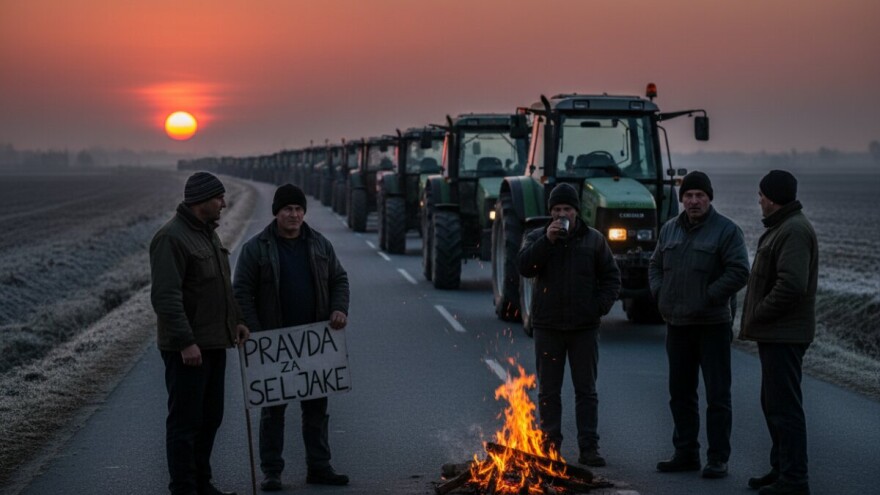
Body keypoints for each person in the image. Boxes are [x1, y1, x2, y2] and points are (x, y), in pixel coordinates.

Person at [233, 184, 350, 491]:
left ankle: (320, 467)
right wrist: (256, 333)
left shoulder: (320, 244)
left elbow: (339, 279)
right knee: (273, 412)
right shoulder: (256, 248)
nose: (294, 215)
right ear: (277, 213)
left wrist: (339, 309)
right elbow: (242, 292)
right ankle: (271, 472)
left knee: (316, 410)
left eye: (298, 209)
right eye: (288, 209)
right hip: (274, 345)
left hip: (314, 344)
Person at [150, 171, 250, 495]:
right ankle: (183, 488)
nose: (224, 203)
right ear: (201, 202)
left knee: (210, 418)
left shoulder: (207, 234)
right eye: (219, 198)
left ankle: (202, 484)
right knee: (185, 424)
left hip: (213, 343)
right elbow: (166, 297)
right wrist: (185, 342)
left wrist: (235, 319)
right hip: (188, 350)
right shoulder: (171, 238)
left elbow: (220, 285)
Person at [648, 170, 750, 479]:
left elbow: (739, 271)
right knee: (680, 393)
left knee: (717, 395)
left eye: (699, 196)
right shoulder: (669, 230)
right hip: (677, 325)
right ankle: (686, 452)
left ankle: (718, 458)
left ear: (709, 199)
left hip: (712, 325)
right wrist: (660, 294)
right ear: (682, 199)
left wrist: (709, 297)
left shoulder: (727, 231)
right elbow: (655, 265)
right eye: (689, 196)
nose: (694, 201)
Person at [517, 182, 621, 467]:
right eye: (557, 209)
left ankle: (589, 448)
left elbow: (612, 278)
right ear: (550, 212)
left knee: (586, 391)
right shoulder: (537, 236)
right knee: (549, 392)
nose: (562, 214)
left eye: (567, 209)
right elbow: (524, 267)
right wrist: (546, 242)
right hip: (547, 327)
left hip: (583, 329)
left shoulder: (594, 240)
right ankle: (550, 448)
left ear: (577, 211)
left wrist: (597, 308)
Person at [740, 170, 817, 495]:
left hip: (785, 334)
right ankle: (780, 469)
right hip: (776, 334)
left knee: (784, 408)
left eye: (761, 195)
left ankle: (795, 480)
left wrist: (759, 313)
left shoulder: (794, 230)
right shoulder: (784, 227)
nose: (758, 200)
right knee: (773, 405)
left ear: (771, 197)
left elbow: (791, 285)